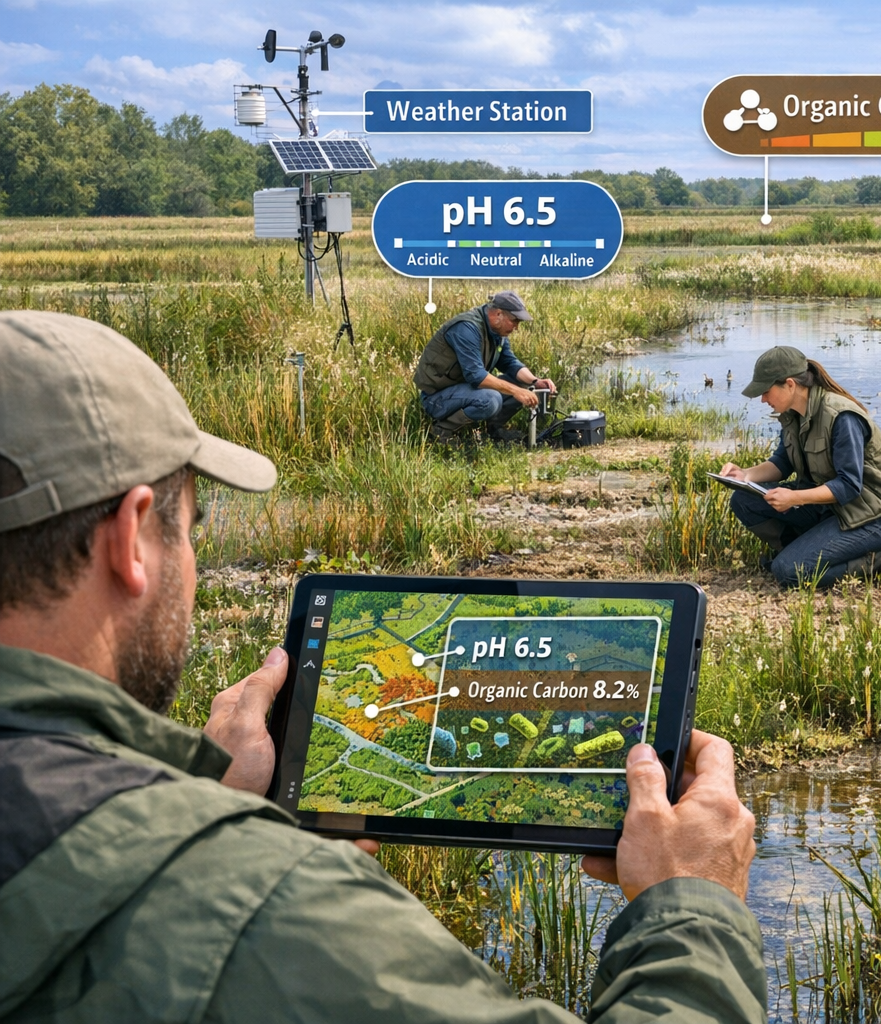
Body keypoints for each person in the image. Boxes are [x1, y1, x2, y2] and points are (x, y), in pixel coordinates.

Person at [0, 310, 765, 1023]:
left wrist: (213, 806)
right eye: (191, 527)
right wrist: (690, 906)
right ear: (132, 540)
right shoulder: (265, 912)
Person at [719, 346, 881, 589]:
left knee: (788, 573)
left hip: (875, 518)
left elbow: (849, 486)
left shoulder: (841, 416)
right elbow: (782, 462)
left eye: (766, 391)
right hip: (832, 509)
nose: (763, 399)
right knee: (744, 499)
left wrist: (794, 497)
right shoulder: (793, 414)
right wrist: (745, 475)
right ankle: (800, 552)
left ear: (790, 384)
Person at [414, 290, 559, 444]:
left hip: (465, 391)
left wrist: (535, 382)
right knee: (491, 399)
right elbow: (476, 376)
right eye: (515, 320)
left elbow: (509, 363)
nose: (517, 327)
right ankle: (441, 432)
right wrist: (516, 391)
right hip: (437, 398)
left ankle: (493, 431)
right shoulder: (466, 329)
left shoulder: (497, 332)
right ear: (498, 314)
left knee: (524, 384)